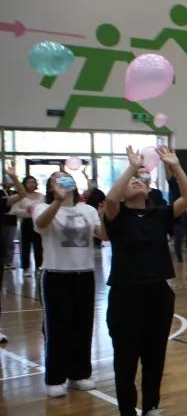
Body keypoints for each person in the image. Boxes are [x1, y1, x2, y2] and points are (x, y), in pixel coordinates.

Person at [103, 145, 187, 416]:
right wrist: (131, 167)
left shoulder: (159, 215)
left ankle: (151, 410)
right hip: (125, 295)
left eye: (141, 178)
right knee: (125, 359)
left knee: (155, 358)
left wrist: (176, 166)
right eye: (132, 180)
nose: (137, 181)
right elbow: (110, 198)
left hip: (158, 294)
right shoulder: (116, 217)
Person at [34, 169, 104, 397]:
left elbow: (104, 236)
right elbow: (41, 224)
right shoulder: (44, 208)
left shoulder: (88, 210)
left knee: (83, 326)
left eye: (66, 176)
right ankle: (55, 377)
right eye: (56, 177)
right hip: (56, 274)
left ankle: (79, 374)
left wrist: (106, 216)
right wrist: (58, 200)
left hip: (84, 274)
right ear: (51, 186)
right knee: (56, 328)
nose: (63, 180)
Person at [11, 175, 45, 278]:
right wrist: (28, 212)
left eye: (33, 182)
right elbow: (15, 210)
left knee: (38, 247)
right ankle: (26, 268)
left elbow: (43, 209)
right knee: (25, 246)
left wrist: (34, 211)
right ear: (24, 184)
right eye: (29, 182)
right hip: (26, 222)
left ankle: (39, 267)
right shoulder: (20, 196)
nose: (31, 184)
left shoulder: (41, 196)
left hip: (38, 223)